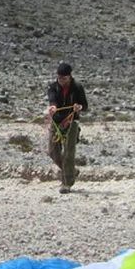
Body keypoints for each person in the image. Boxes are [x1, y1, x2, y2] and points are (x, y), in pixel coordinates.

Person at [46, 62, 88, 194]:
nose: (61, 81)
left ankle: (67, 183)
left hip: (72, 122)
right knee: (53, 151)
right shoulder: (53, 87)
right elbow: (52, 99)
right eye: (59, 78)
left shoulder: (77, 87)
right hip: (57, 121)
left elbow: (85, 105)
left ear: (70, 76)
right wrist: (52, 106)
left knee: (69, 152)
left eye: (63, 78)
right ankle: (71, 171)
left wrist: (79, 107)